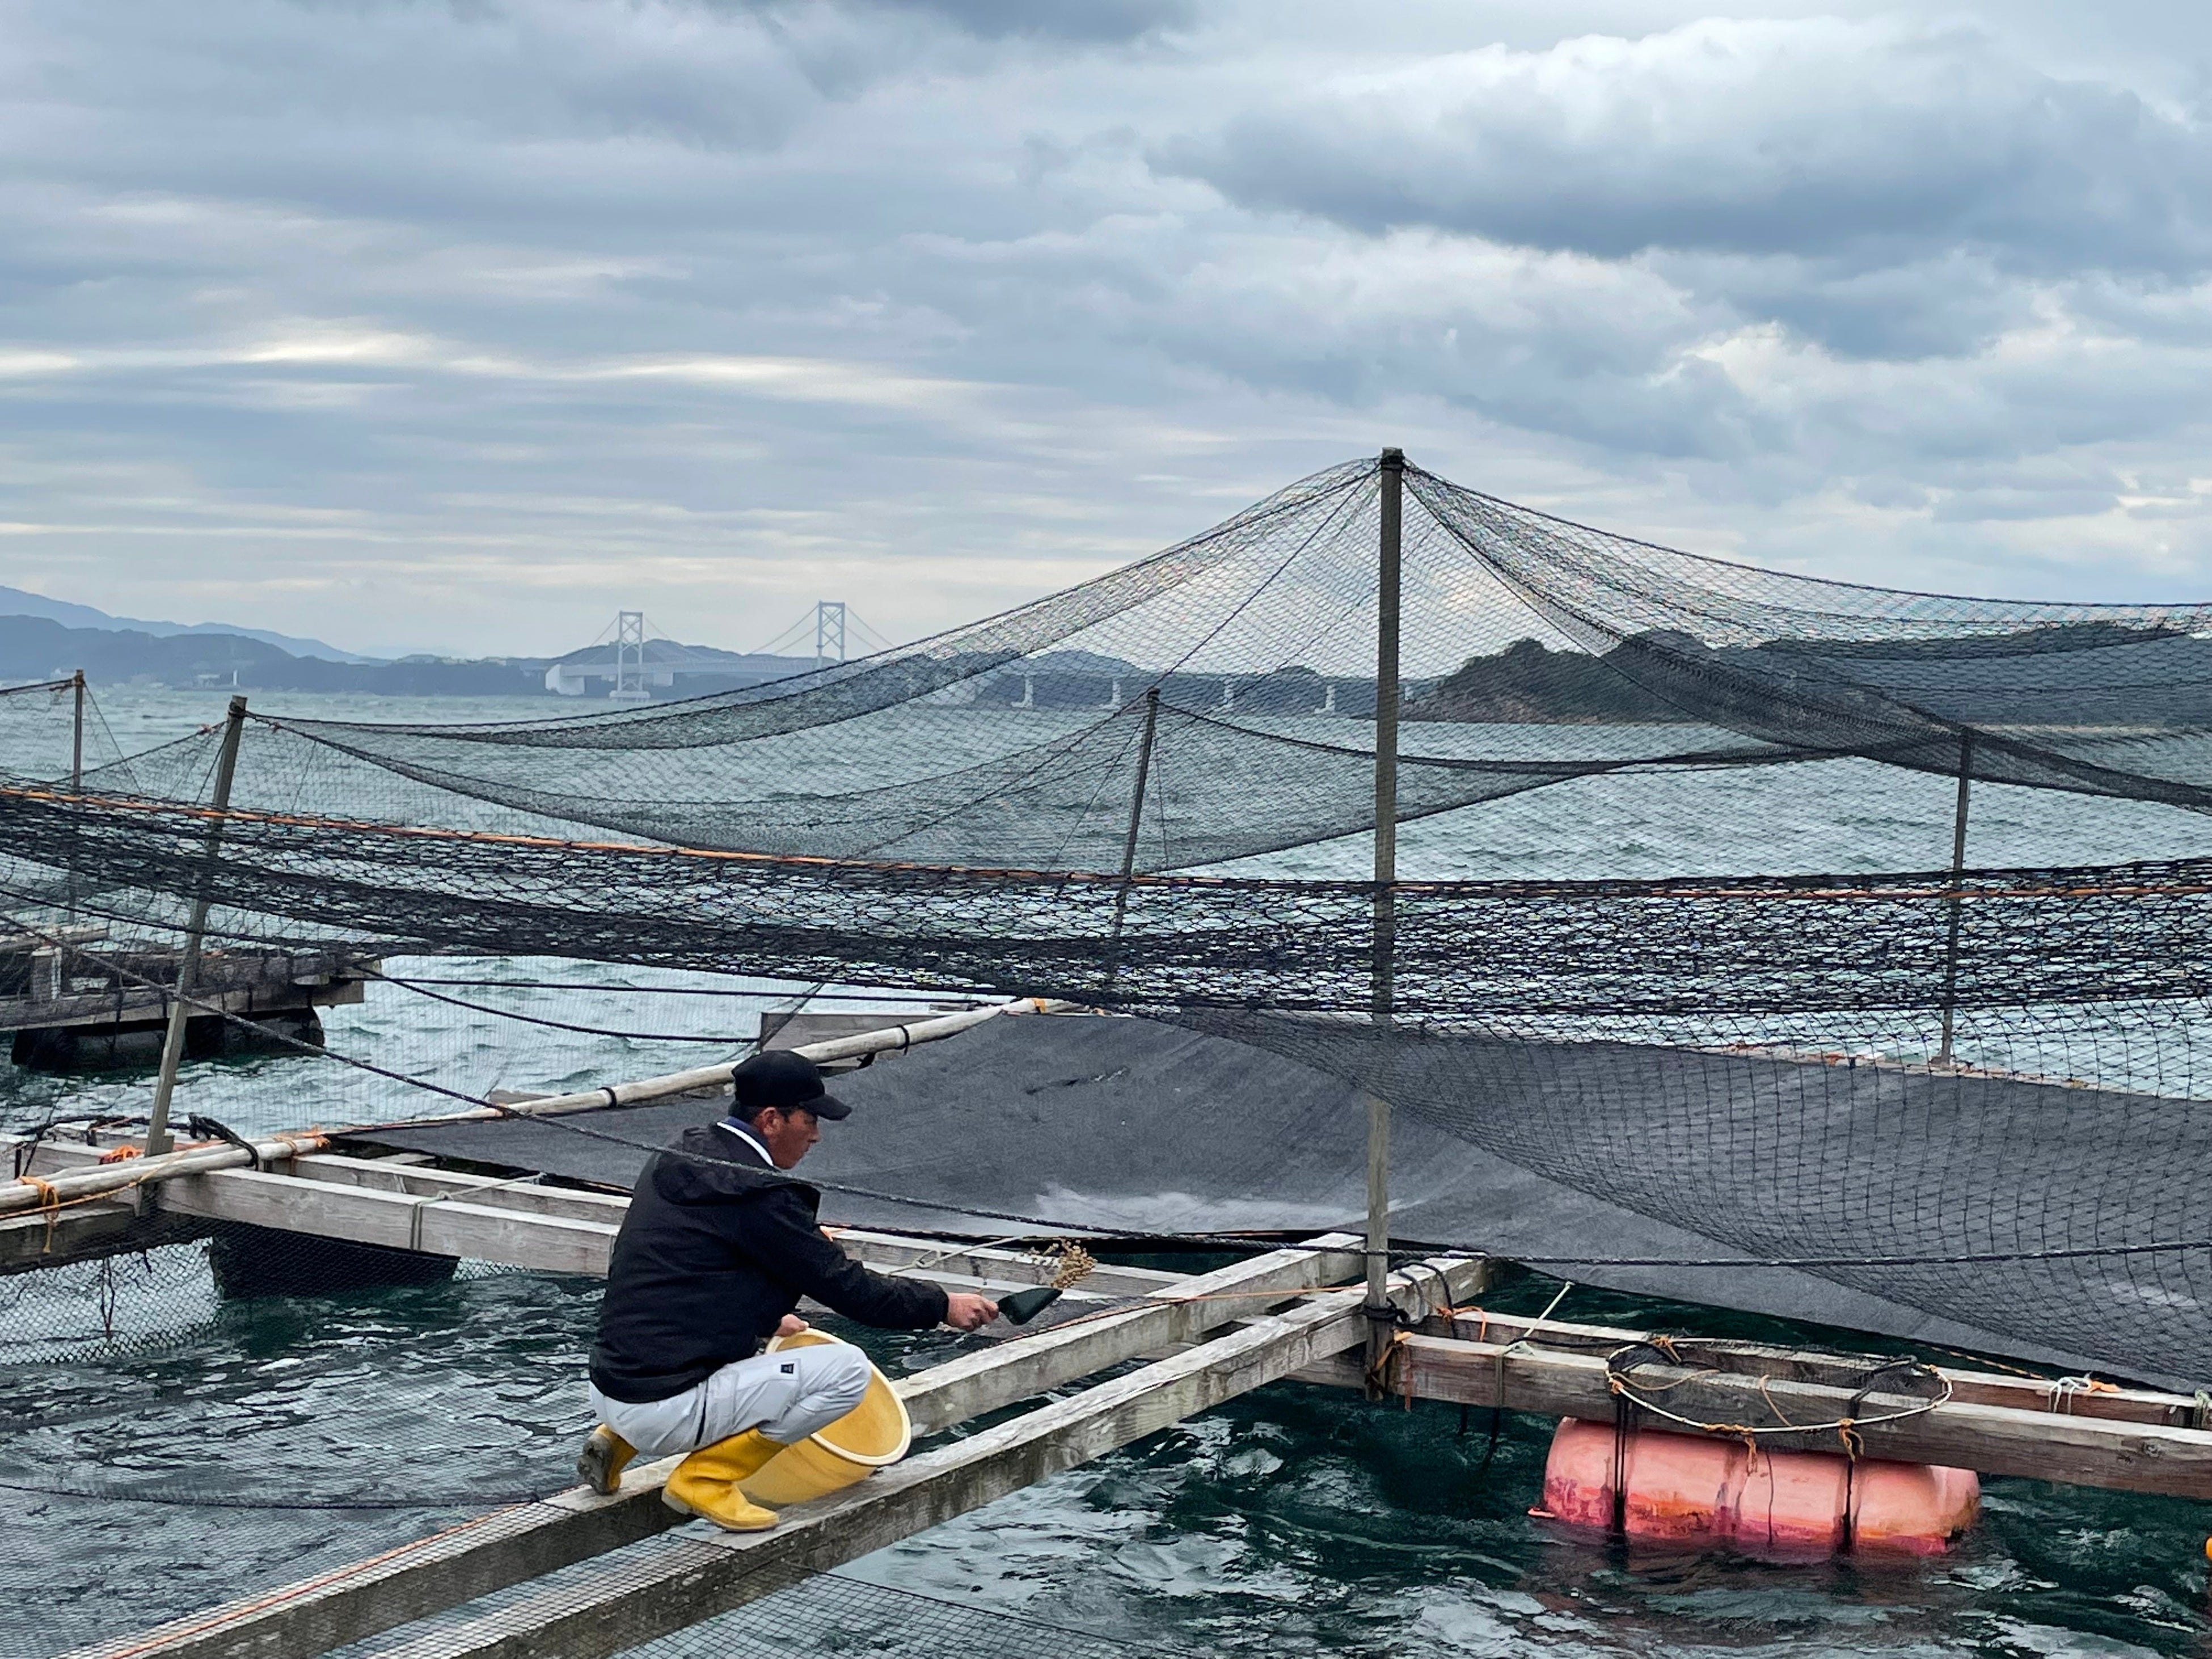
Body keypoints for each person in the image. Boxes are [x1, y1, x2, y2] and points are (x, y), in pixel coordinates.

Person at [577, 1048, 998, 1531]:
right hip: (665, 1408)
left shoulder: (682, 1152)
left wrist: (769, 1314)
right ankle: (706, 1478)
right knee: (847, 1371)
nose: (817, 1134)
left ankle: (616, 1440)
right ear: (772, 1119)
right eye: (811, 1118)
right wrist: (942, 1304)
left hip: (611, 1386)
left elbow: (695, 1269)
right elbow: (853, 1291)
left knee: (773, 1336)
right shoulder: (760, 1195)